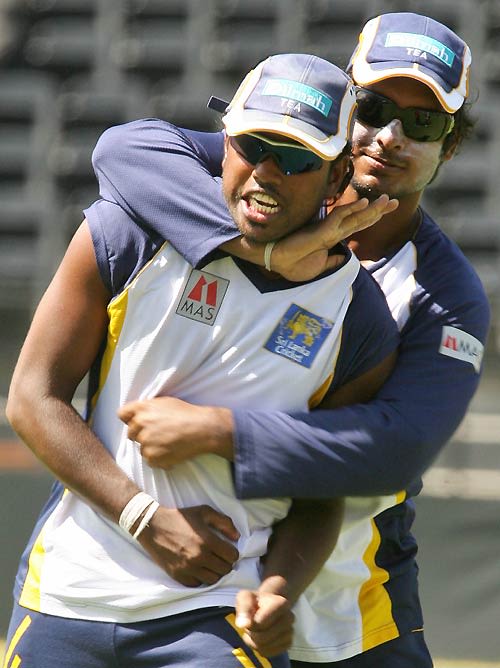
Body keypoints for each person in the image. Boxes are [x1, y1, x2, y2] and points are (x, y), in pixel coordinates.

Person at [88, 11, 491, 668]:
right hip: (194, 596)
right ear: (341, 108)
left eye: (421, 124)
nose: (388, 136)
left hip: (351, 618)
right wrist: (269, 251)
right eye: (373, 106)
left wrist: (222, 431)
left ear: (449, 148)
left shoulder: (446, 295)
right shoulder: (268, 171)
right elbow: (122, 150)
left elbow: (396, 446)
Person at [4, 54, 400, 668]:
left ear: (337, 174)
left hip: (215, 616)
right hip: (67, 596)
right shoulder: (129, 231)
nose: (267, 171)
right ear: (225, 141)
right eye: (252, 145)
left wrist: (279, 591)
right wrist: (146, 521)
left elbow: (323, 490)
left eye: (296, 158)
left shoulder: (360, 318)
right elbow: (32, 397)